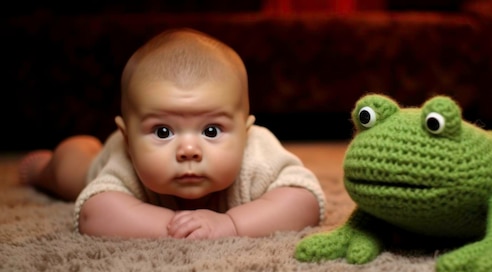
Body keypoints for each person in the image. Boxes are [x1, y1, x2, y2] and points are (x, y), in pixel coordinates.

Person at [18, 27, 325, 239]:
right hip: (98, 162)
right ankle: (45, 168)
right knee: (69, 171)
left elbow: (305, 199)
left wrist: (232, 225)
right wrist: (176, 226)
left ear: (246, 133)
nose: (189, 149)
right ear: (128, 139)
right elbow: (93, 215)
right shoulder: (125, 164)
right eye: (163, 131)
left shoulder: (256, 154)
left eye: (211, 130)